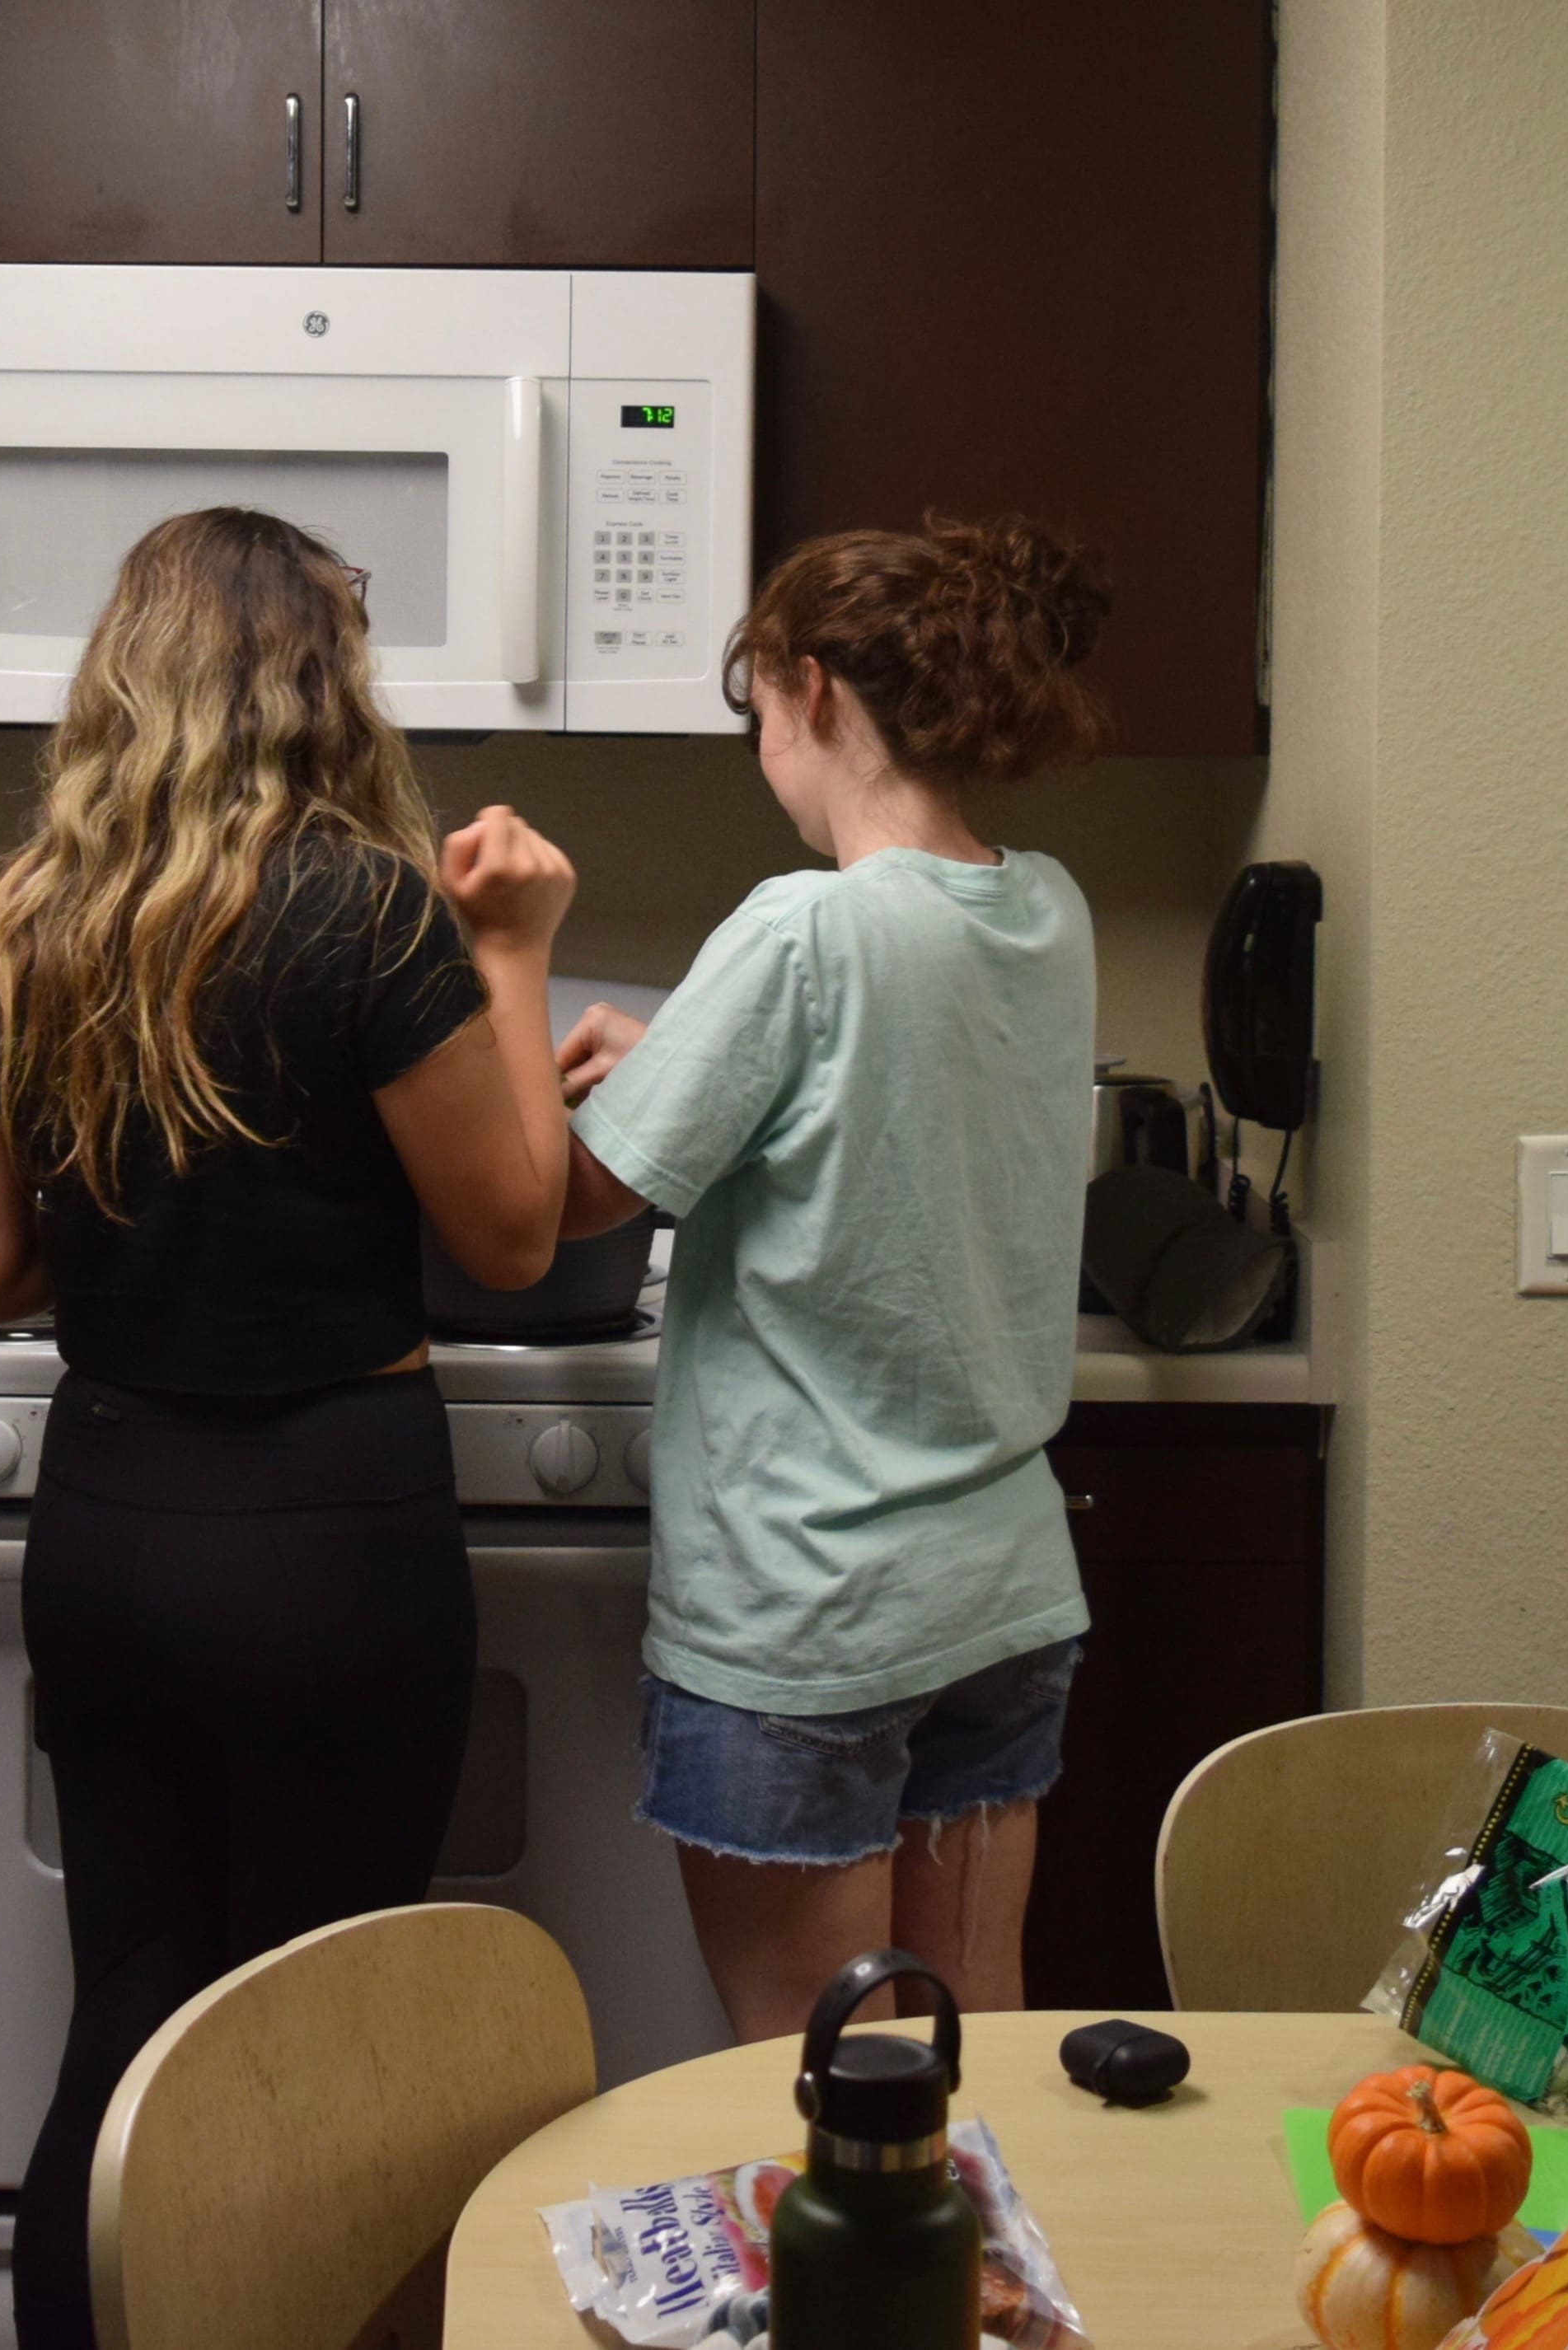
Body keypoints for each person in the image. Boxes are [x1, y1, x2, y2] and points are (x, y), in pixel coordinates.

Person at [0, 508, 581, 2350]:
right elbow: (513, 1232)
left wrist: (139, 1181)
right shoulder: (372, 911)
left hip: (110, 1523)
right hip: (331, 1535)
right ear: (322, 681)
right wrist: (511, 960)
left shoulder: (15, 918)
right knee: (316, 2050)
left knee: (123, 2032)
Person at [549, 514, 1115, 2040]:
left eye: (755, 720)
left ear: (813, 692)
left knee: (819, 2095)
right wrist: (682, 1042)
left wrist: (497, 959)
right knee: (962, 2053)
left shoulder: (801, 925)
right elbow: (892, 1058)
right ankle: (990, 2293)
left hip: (808, 1611)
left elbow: (581, 1197)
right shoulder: (1047, 907)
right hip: (995, 1598)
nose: (760, 757)